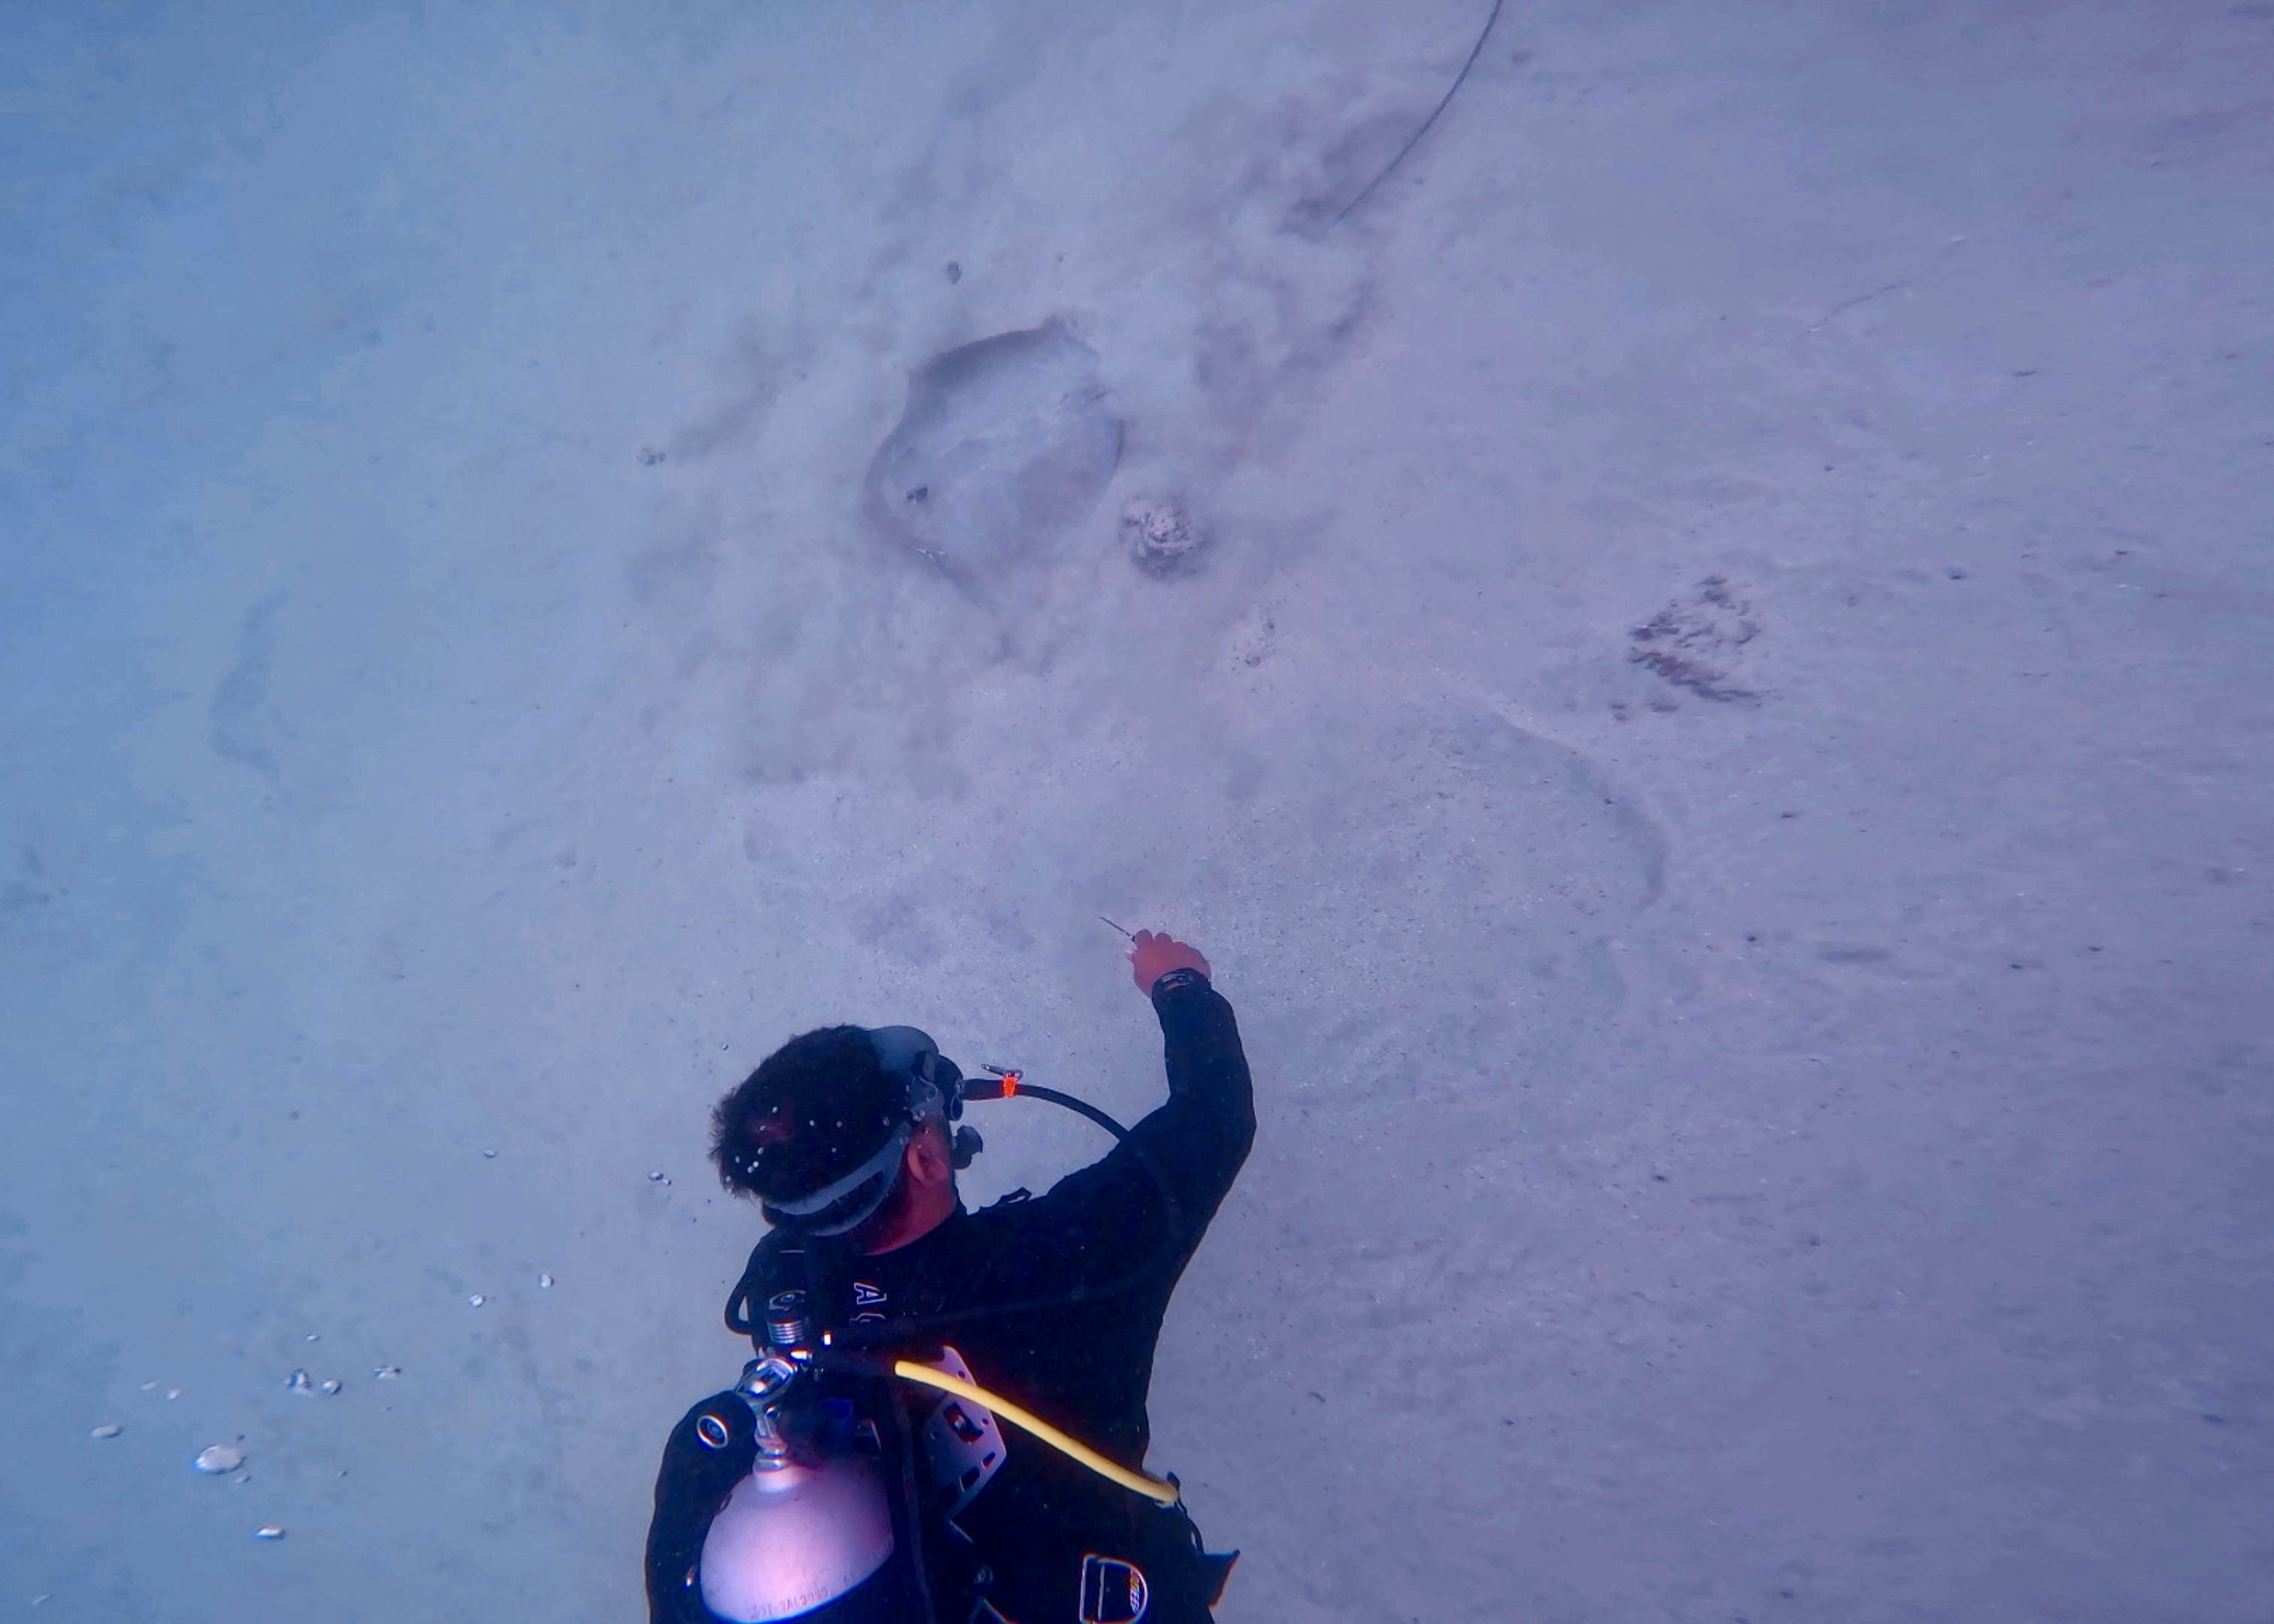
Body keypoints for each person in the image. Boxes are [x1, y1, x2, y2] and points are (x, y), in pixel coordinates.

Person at [646, 929, 1256, 1624]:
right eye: (925, 1109)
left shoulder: (787, 1291)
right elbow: (1215, 1119)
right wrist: (1179, 984)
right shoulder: (1066, 1259)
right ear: (928, 1163)